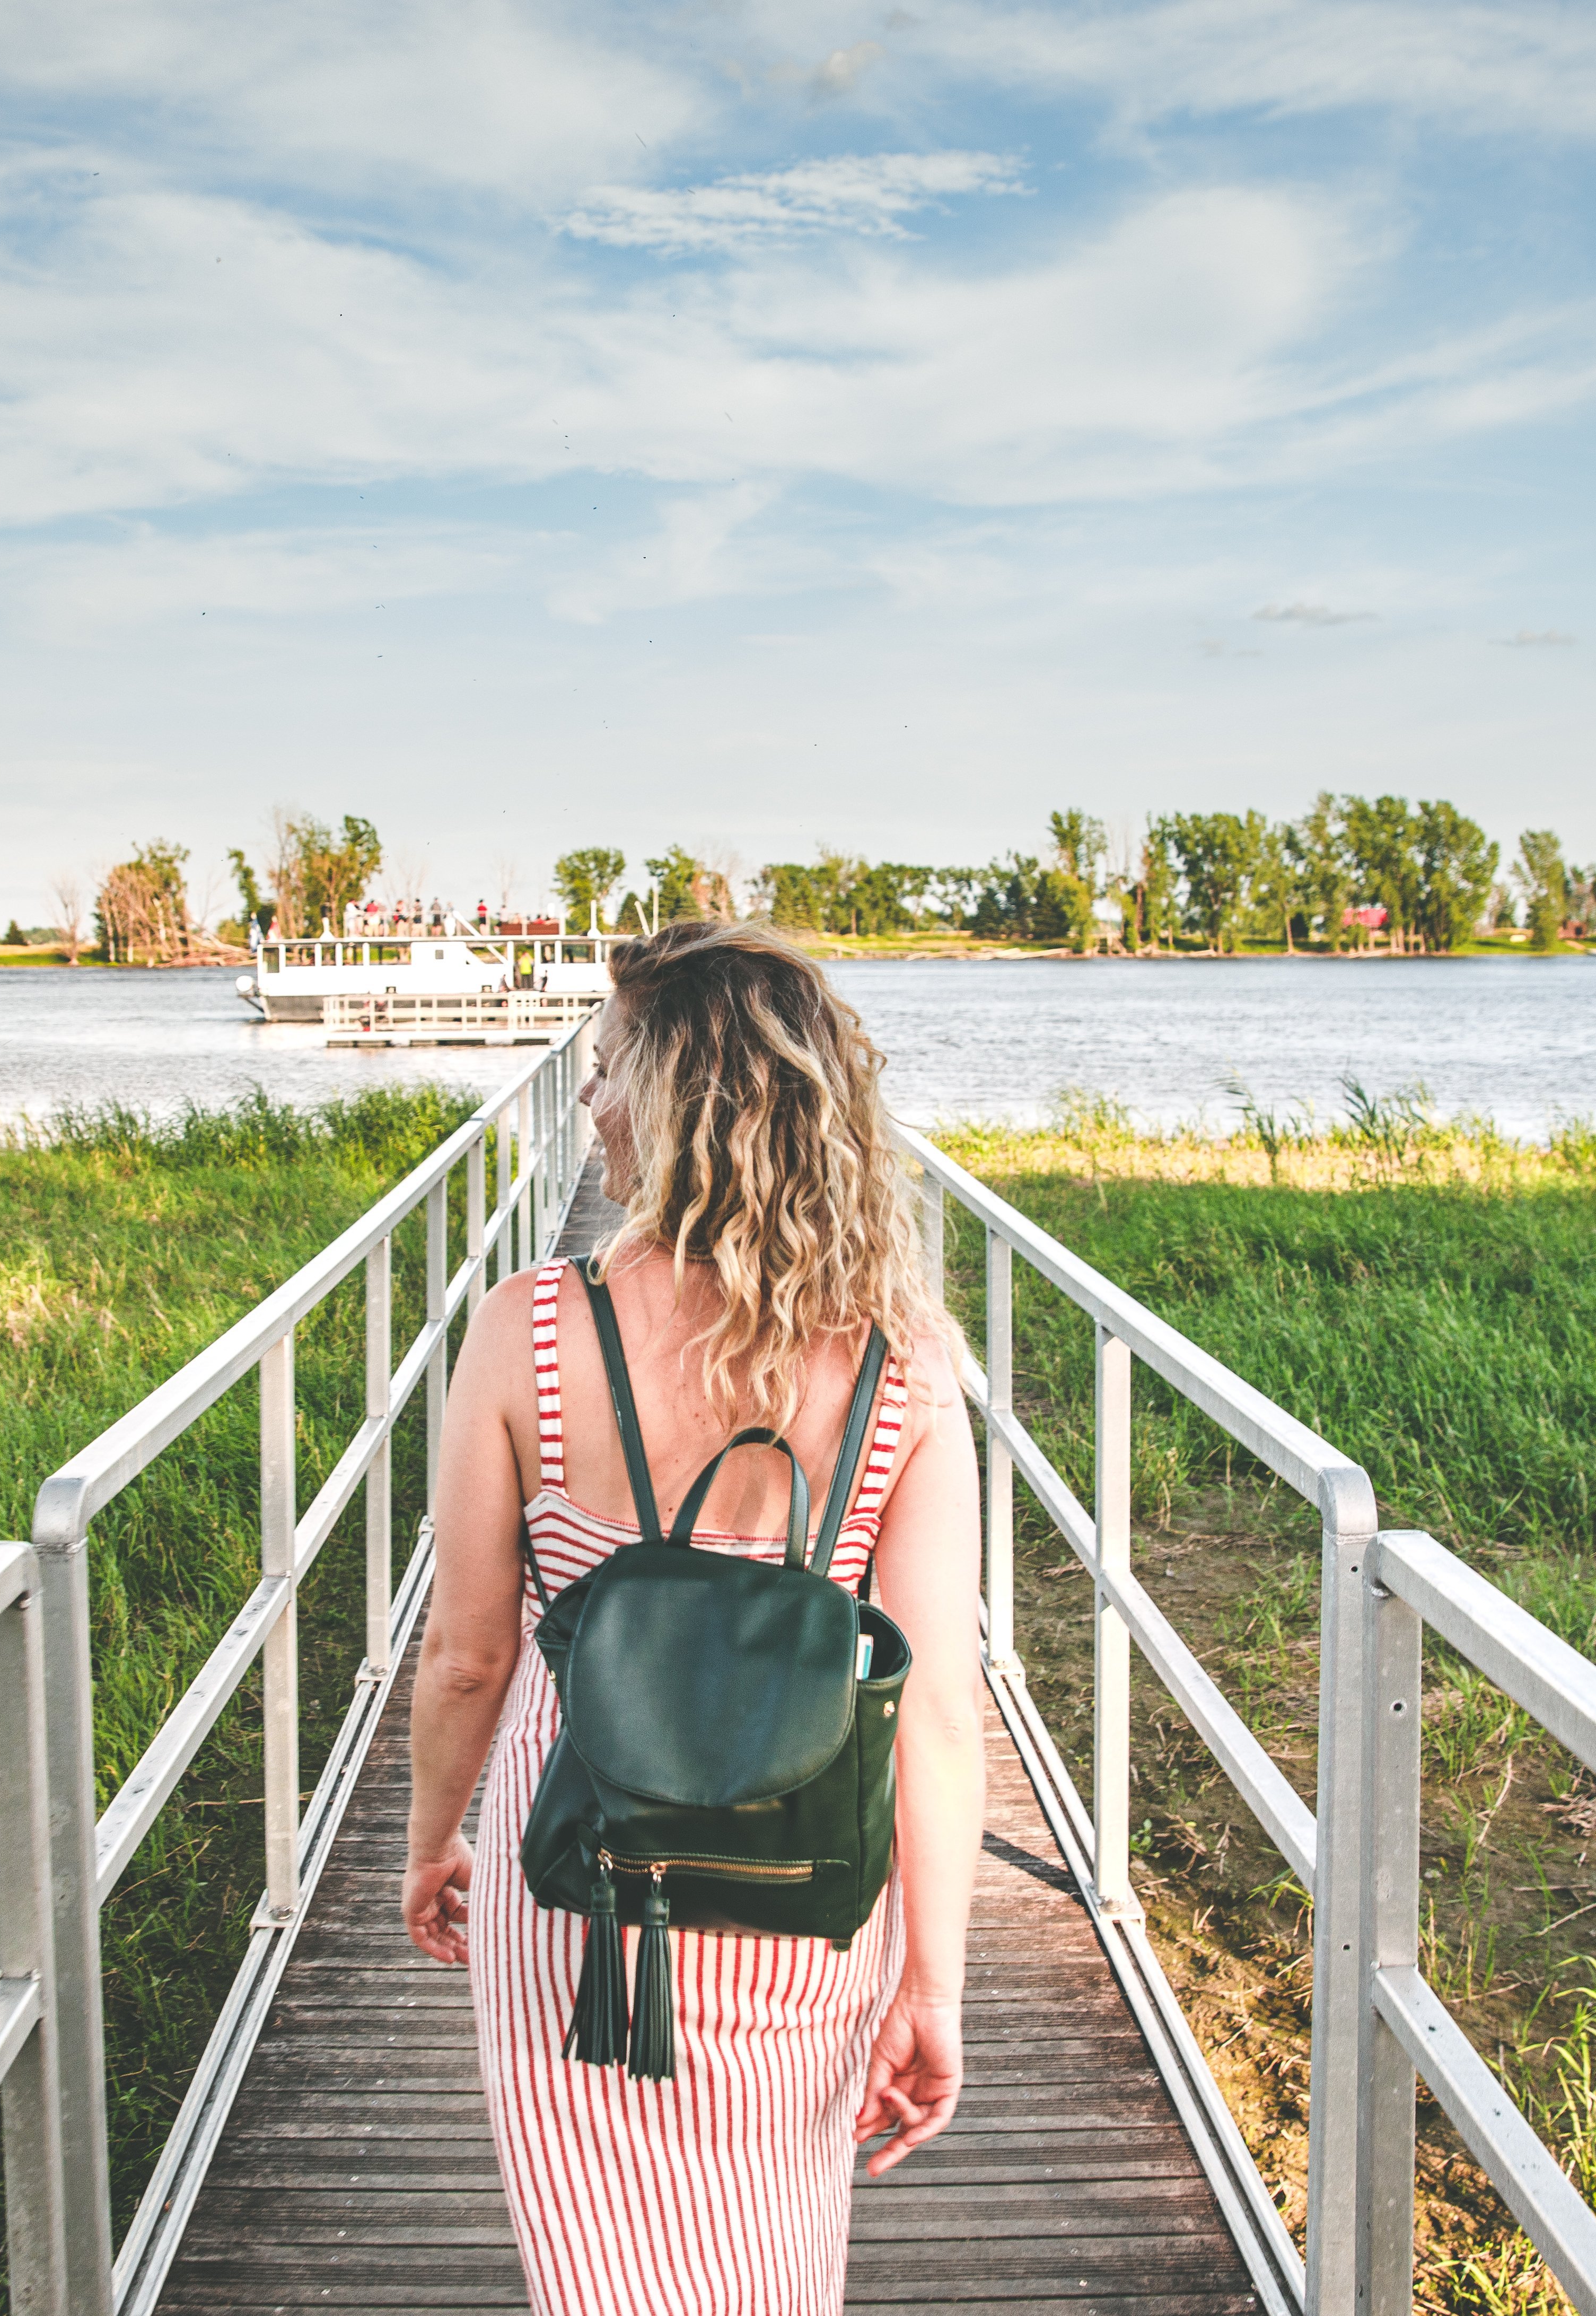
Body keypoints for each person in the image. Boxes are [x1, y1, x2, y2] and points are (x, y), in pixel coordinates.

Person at [406, 921, 984, 2315]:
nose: (587, 1099)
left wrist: (433, 1841)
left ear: (672, 1102)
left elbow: (470, 1654)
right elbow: (944, 1714)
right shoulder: (903, 1370)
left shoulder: (528, 1329)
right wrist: (936, 1984)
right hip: (807, 1905)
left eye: (605, 1067)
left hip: (577, 1900)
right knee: (772, 2266)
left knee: (595, 2277)